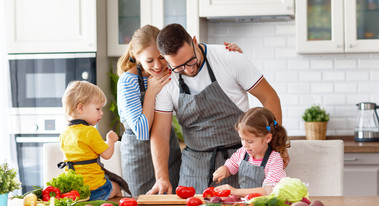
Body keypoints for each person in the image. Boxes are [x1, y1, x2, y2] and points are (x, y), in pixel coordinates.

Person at [147, 23, 283, 195]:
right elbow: (160, 132)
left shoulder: (229, 58)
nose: (188, 70)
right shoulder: (166, 79)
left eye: (191, 61)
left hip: (240, 159)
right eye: (179, 67)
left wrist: (275, 146)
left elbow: (269, 97)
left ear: (195, 41)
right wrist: (161, 177)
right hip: (194, 166)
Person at [117, 24, 243, 196]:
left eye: (162, 58)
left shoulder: (171, 70)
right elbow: (142, 131)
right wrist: (151, 93)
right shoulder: (128, 81)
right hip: (140, 154)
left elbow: (190, 53)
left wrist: (230, 51)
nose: (157, 65)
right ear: (136, 57)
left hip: (168, 149)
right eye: (149, 60)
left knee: (172, 204)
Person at [59, 80, 129, 200]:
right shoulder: (90, 131)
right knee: (117, 186)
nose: (101, 113)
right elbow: (107, 154)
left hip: (75, 193)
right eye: (98, 109)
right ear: (80, 108)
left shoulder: (64, 133)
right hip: (95, 190)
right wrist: (110, 140)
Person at [212, 107, 290, 196]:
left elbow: (270, 190)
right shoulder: (242, 152)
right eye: (242, 139)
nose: (245, 145)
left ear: (267, 138)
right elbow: (231, 165)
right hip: (244, 204)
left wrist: (235, 192)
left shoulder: (274, 159)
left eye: (250, 141)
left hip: (263, 204)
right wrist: (224, 169)